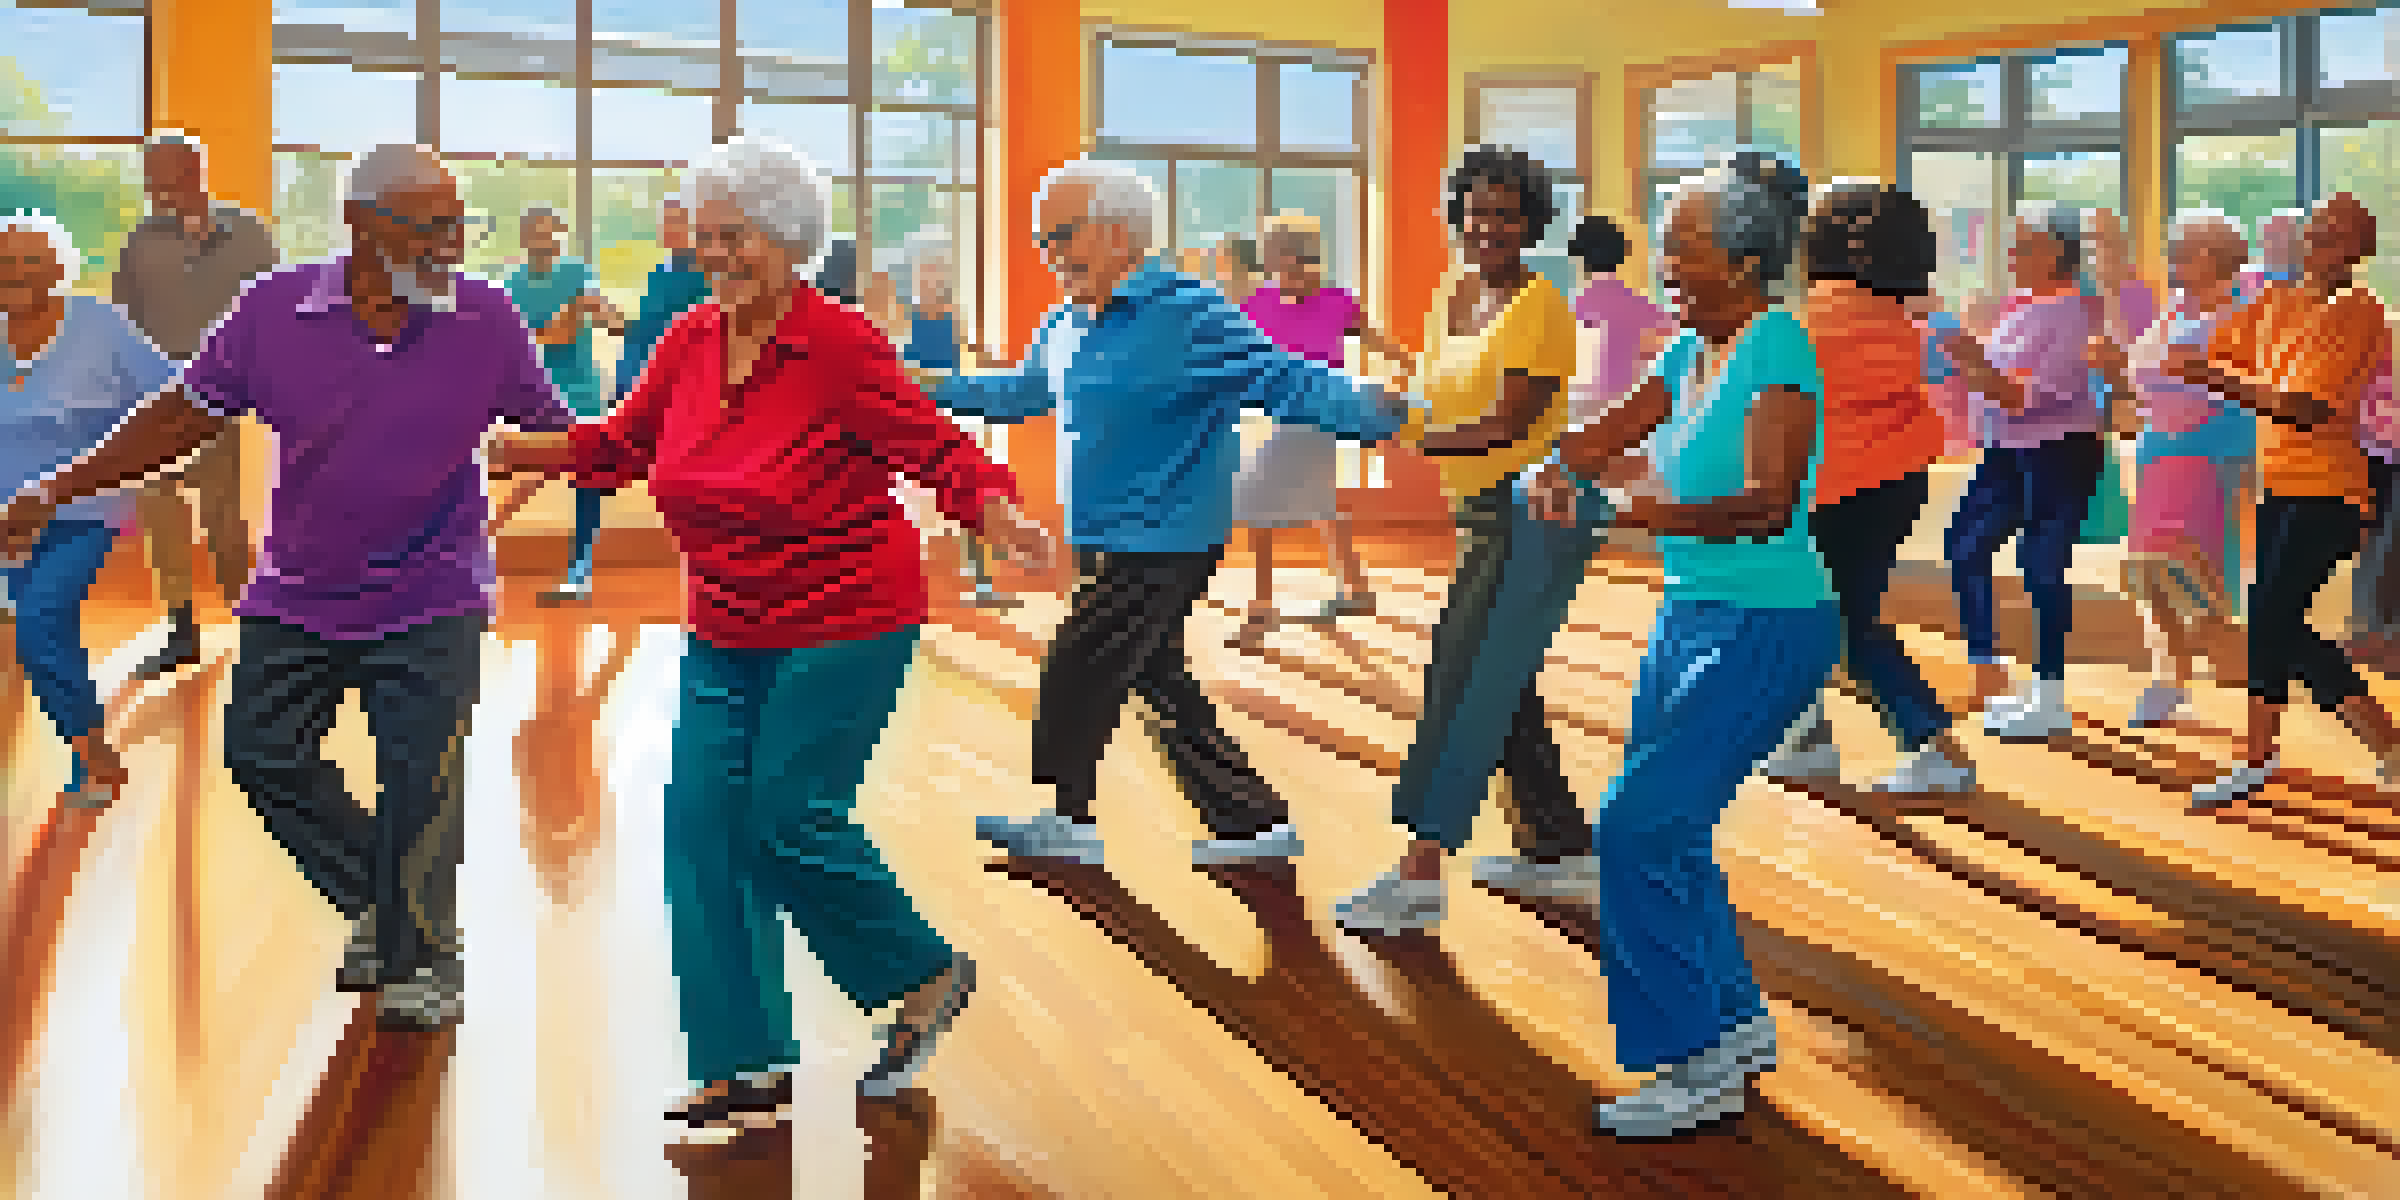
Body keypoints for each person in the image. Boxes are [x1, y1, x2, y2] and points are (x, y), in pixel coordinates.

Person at [490, 136, 1050, 1121]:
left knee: (788, 816)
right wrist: (520, 449)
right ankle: (740, 1062)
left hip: (845, 615)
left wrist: (996, 512)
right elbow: (623, 444)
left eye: (735, 236)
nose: (716, 254)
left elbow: (935, 446)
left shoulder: (838, 345)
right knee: (702, 823)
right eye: (703, 236)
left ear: (788, 239)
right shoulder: (691, 341)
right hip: (726, 616)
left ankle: (921, 978)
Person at [0, 144, 576, 1032]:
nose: (449, 248)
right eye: (428, 227)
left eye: (458, 227)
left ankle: (423, 954)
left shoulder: (485, 316)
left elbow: (557, 433)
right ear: (358, 223)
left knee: (422, 779)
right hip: (302, 588)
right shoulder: (276, 309)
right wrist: (56, 487)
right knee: (262, 753)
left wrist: (518, 485)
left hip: (436, 589)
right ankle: (389, 914)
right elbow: (181, 417)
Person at [929, 158, 1411, 868]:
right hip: (1099, 534)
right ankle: (1252, 824)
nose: (1050, 255)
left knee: (1076, 662)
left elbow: (1280, 378)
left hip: (1166, 536)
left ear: (1120, 235)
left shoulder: (1189, 311)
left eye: (1062, 236)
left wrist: (1382, 414)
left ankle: (1068, 821)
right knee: (1156, 678)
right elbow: (1027, 392)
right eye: (1042, 242)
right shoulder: (1064, 321)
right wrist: (930, 390)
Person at [1540, 151, 1832, 1138]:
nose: (1668, 261)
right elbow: (1604, 436)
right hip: (1690, 610)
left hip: (1770, 622)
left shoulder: (1777, 348)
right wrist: (1553, 466)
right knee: (1671, 828)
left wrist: (1622, 511)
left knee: (1636, 827)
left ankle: (1691, 1060)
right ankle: (1735, 1021)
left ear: (1747, 262)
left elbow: (1764, 504)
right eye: (1667, 243)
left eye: (1688, 245)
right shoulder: (1684, 353)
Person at [1329, 147, 1596, 934]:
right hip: (1479, 510)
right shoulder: (1457, 289)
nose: (1488, 227)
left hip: (1527, 511)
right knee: (1500, 684)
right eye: (1477, 211)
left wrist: (1407, 431)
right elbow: (1434, 387)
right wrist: (1392, 393)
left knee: (1463, 683)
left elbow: (1507, 424)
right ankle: (1560, 848)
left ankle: (1419, 876)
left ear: (1534, 222)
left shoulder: (1544, 309)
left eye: (1507, 214)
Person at [2180, 192, 2400, 811]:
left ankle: (2386, 740)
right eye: (2316, 231)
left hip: (2334, 491)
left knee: (2273, 619)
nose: (2322, 243)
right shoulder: (2274, 302)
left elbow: (2308, 409)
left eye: (2338, 235)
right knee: (2269, 625)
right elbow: (2219, 351)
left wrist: (2220, 379)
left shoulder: (2362, 312)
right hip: (2277, 486)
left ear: (2363, 250)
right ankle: (2257, 759)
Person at [1765, 182, 1978, 793]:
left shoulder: (1807, 316)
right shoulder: (1898, 314)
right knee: (1824, 612)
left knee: (1840, 623)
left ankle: (1934, 744)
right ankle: (1806, 735)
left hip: (1833, 488)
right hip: (1897, 482)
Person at [0, 211, 173, 810]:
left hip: (79, 508)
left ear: (57, 269)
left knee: (42, 623)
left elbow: (173, 397)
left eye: (29, 262)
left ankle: (97, 762)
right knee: (34, 634)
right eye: (4, 262)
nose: (15, 274)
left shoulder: (98, 325)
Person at [1937, 205, 2108, 741]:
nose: (2011, 256)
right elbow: (1996, 388)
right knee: (1966, 545)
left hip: (2057, 451)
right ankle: (1988, 667)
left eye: (2023, 247)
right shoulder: (2023, 311)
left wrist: (1973, 360)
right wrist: (1970, 360)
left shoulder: (2074, 315)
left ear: (2057, 252)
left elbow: (2020, 397)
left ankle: (2050, 694)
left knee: (2042, 567)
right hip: (2006, 451)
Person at [115, 131, 278, 679]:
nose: (158, 192)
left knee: (223, 522)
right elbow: (123, 318)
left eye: (168, 179)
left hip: (218, 399)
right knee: (160, 516)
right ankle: (182, 631)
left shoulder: (249, 236)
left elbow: (277, 310)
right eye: (151, 181)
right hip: (152, 400)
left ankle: (251, 627)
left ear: (195, 173)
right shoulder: (140, 243)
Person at [2085, 213, 2253, 726]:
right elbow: (2138, 381)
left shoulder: (2245, 314)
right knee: (2146, 572)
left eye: (2188, 249)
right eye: (2178, 247)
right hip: (2158, 452)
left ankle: (2238, 669)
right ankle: (2172, 678)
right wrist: (2115, 370)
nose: (2177, 256)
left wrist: (2199, 376)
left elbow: (2244, 386)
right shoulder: (2173, 311)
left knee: (2191, 569)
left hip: (2210, 454)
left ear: (2217, 256)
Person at [1227, 211, 1409, 643]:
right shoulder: (1259, 301)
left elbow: (1379, 342)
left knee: (1255, 503)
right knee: (1320, 502)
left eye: (1274, 256)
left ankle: (1261, 612)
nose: (1269, 265)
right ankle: (1356, 588)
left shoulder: (1337, 300)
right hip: (1287, 415)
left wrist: (1403, 381)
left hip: (1320, 415)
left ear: (1293, 256)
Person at [551, 199, 702, 602]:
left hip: (680, 410)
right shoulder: (659, 274)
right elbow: (642, 334)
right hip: (631, 402)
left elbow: (694, 345)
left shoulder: (710, 278)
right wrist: (605, 317)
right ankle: (580, 567)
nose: (668, 227)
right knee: (590, 466)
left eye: (677, 219)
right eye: (664, 219)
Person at [504, 207, 625, 602]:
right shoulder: (513, 283)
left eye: (550, 231)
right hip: (533, 400)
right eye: (534, 231)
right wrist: (573, 312)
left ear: (560, 234)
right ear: (524, 237)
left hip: (583, 395)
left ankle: (579, 570)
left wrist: (580, 314)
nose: (543, 238)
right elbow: (544, 339)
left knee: (586, 478)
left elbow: (607, 320)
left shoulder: (578, 272)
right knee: (518, 471)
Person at [900, 231, 1014, 610]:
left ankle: (981, 582)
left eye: (941, 269)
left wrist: (1010, 371)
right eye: (928, 268)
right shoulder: (904, 315)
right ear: (916, 273)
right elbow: (896, 366)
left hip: (949, 414)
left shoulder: (954, 317)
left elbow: (979, 354)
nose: (934, 276)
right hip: (912, 419)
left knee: (972, 494)